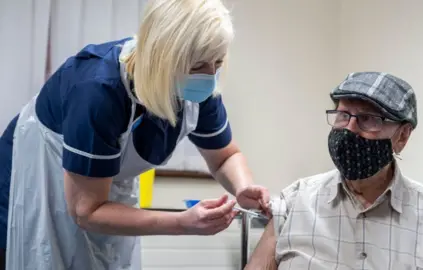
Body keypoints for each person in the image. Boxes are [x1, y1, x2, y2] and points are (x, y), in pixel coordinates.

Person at [0, 0, 270, 269]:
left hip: (97, 195)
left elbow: (224, 157)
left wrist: (243, 187)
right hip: (36, 179)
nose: (210, 76)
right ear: (163, 57)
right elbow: (87, 210)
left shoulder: (198, 91)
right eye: (198, 66)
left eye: (218, 62)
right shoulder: (99, 92)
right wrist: (182, 223)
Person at [245, 72, 423, 270]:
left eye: (367, 119)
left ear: (402, 136)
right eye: (343, 115)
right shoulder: (294, 202)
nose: (349, 130)